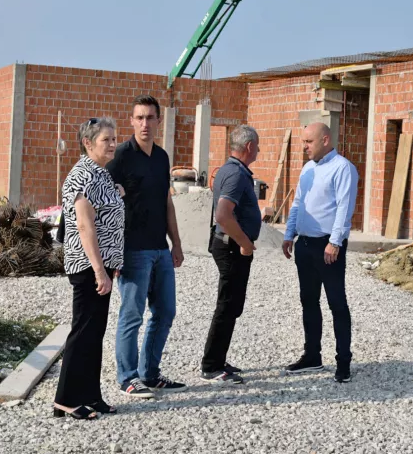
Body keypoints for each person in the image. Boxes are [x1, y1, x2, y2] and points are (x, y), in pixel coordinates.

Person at [108, 96, 186, 398]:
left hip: (159, 248)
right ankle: (127, 377)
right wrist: (112, 253)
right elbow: (106, 207)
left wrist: (176, 243)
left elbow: (166, 201)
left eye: (150, 117)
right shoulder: (121, 157)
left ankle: (150, 374)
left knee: (165, 312)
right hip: (132, 250)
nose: (144, 123)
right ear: (131, 121)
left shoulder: (163, 157)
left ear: (158, 121)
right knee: (132, 315)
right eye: (139, 117)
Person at [53, 117, 125, 420]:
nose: (112, 144)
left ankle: (91, 395)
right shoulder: (83, 175)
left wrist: (112, 264)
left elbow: (106, 211)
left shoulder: (101, 174)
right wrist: (99, 269)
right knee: (82, 331)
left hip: (103, 265)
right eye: (105, 139)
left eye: (113, 139)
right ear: (87, 143)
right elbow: (84, 225)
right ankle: (66, 399)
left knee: (95, 332)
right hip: (87, 266)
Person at [282, 122, 359, 383]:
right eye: (303, 141)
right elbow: (298, 203)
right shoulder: (308, 169)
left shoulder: (343, 168)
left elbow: (344, 208)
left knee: (337, 303)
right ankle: (312, 356)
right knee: (308, 301)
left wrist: (335, 242)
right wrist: (289, 233)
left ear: (325, 140)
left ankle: (343, 362)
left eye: (308, 142)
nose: (304, 146)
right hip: (305, 245)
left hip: (328, 247)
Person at [200, 124, 262, 384]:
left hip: (229, 245)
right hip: (231, 247)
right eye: (257, 146)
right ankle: (211, 366)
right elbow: (223, 214)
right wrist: (245, 242)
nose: (258, 150)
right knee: (227, 305)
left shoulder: (229, 170)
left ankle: (218, 358)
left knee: (233, 304)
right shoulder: (236, 175)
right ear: (248, 147)